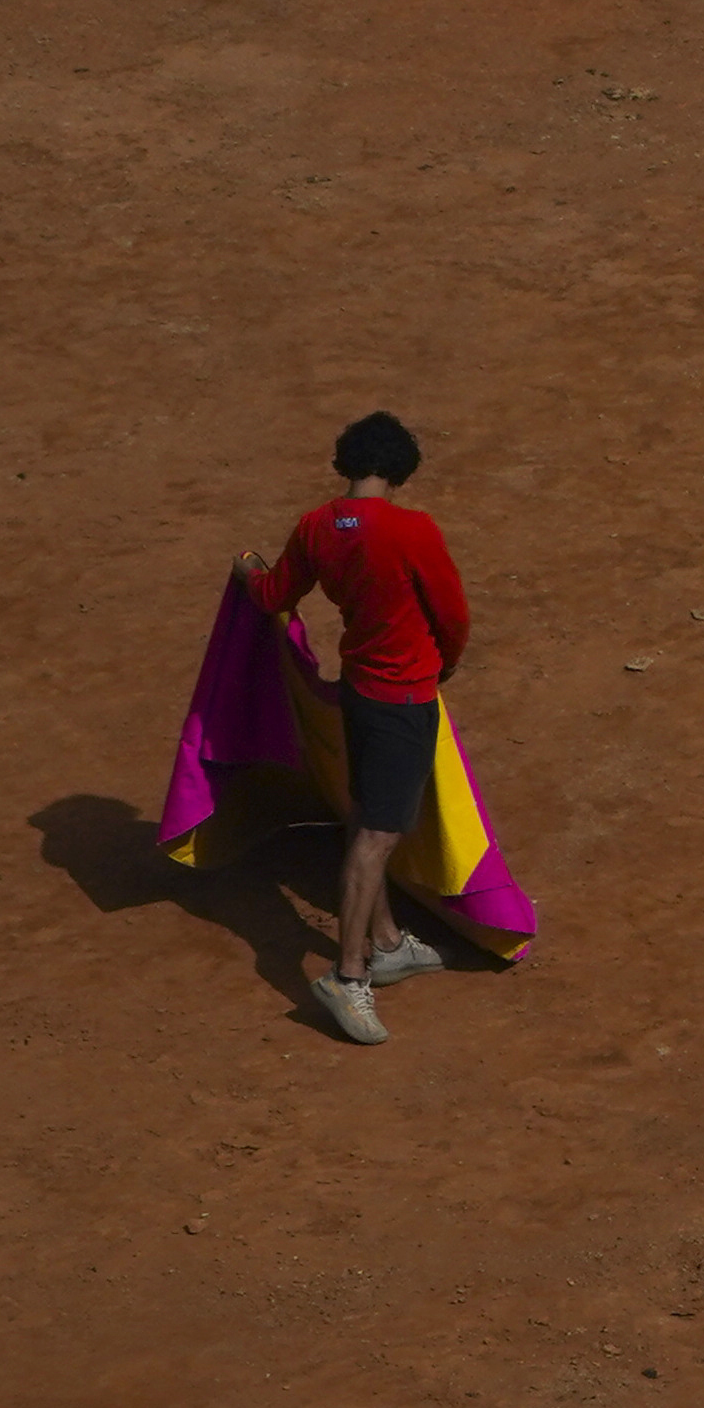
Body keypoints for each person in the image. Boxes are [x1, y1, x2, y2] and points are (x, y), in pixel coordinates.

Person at [243, 410, 471, 1046]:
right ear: (399, 470)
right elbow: (452, 614)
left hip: (360, 690)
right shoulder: (412, 530)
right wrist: (445, 663)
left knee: (365, 812)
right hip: (402, 699)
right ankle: (348, 976)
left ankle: (389, 942)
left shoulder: (317, 526)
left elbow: (271, 594)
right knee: (377, 833)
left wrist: (246, 573)